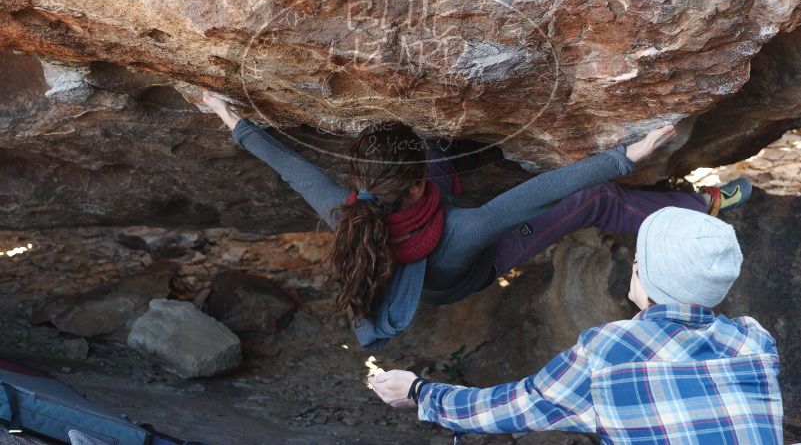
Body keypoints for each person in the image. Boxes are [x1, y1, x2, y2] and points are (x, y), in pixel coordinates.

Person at [202, 93, 749, 349]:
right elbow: (539, 193)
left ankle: (463, 156)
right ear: (414, 187)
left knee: (440, 148)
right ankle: (699, 209)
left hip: (423, 247)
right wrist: (624, 157)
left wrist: (232, 118)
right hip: (470, 268)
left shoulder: (349, 211)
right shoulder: (467, 231)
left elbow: (293, 170)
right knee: (595, 200)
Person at [370, 207, 783, 443]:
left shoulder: (608, 351)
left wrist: (419, 392)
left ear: (642, 272)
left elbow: (512, 408)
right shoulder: (753, 342)